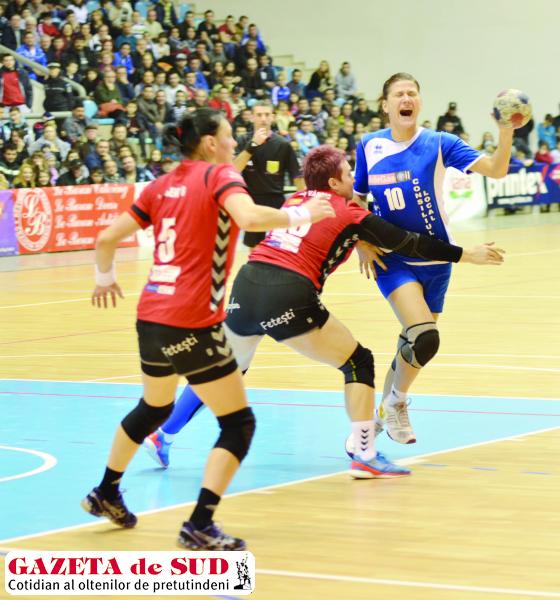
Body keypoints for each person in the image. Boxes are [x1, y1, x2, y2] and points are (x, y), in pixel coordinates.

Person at [143, 146, 504, 472]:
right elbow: (409, 243)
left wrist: (359, 241)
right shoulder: (349, 211)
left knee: (225, 369)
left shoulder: (296, 199)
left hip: (247, 283)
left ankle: (162, 436)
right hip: (287, 292)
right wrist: (465, 255)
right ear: (334, 182)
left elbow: (325, 229)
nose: (353, 178)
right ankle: (364, 454)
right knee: (358, 362)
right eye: (348, 173)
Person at [80, 108, 335, 550]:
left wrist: (105, 278)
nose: (235, 143)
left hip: (151, 315)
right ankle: (199, 523)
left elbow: (105, 239)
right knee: (238, 424)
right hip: (191, 319)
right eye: (230, 136)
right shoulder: (219, 176)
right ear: (210, 142)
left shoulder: (160, 185)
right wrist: (303, 214)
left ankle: (106, 491)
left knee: (153, 408)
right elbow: (249, 219)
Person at [351, 72, 515, 446]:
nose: (406, 99)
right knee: (425, 337)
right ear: (385, 105)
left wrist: (505, 131)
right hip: (393, 259)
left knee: (413, 342)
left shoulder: (440, 143)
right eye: (398, 94)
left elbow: (497, 169)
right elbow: (356, 200)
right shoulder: (369, 146)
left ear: (420, 102)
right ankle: (398, 403)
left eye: (412, 93)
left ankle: (385, 408)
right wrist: (360, 242)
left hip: (436, 260)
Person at [233, 101, 303, 247]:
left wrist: (303, 205)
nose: (263, 119)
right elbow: (234, 170)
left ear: (273, 117)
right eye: (259, 115)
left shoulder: (283, 144)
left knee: (278, 247)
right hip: (251, 202)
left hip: (276, 201)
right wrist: (252, 145)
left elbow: (297, 177)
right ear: (252, 117)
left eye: (267, 115)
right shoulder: (242, 141)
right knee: (254, 248)